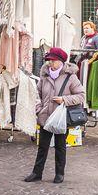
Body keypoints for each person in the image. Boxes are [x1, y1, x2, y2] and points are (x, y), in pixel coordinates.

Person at [24, 47, 85, 184]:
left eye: (53, 60)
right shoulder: (44, 76)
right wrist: (39, 109)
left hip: (61, 118)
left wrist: (64, 100)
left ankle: (59, 173)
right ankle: (36, 173)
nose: (50, 63)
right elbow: (36, 95)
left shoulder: (71, 77)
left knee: (60, 146)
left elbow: (81, 96)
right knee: (42, 147)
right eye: (49, 60)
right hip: (45, 116)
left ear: (61, 61)